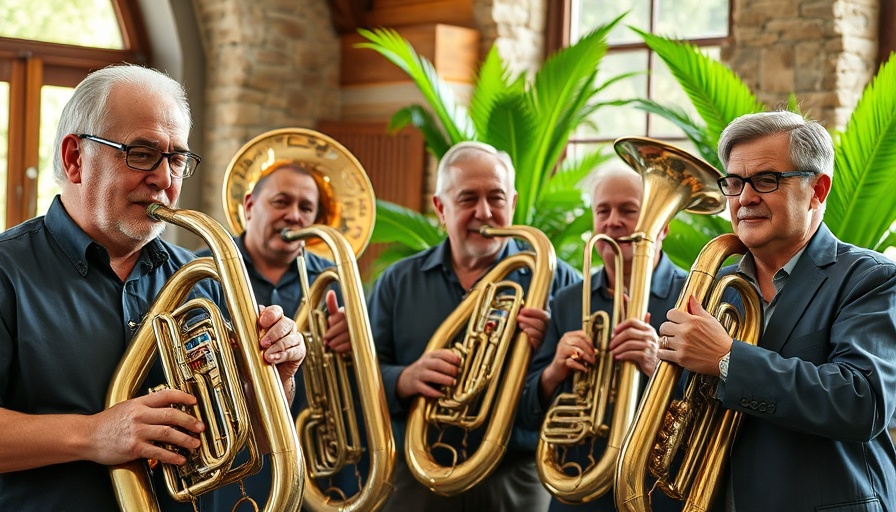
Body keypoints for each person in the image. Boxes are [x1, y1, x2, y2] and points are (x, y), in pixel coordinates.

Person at [0, 64, 306, 512]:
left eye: (177, 159)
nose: (165, 179)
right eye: (142, 153)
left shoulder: (205, 276)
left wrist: (274, 379)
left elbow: (252, 440)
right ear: (75, 159)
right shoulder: (8, 269)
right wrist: (93, 435)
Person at [657, 110, 896, 511]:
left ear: (818, 190)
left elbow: (862, 402)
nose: (745, 198)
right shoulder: (718, 285)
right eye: (734, 183)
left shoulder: (872, 278)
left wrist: (727, 358)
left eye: (766, 180)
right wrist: (665, 367)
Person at [367, 141, 581, 512]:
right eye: (468, 198)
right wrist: (403, 379)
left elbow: (586, 397)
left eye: (496, 198)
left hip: (517, 478)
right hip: (416, 480)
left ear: (512, 203)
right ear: (440, 208)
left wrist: (552, 356)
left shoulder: (563, 283)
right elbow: (362, 373)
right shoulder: (397, 281)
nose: (484, 212)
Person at [519, 166, 686, 512]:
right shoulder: (566, 300)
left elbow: (714, 407)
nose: (612, 222)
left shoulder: (693, 295)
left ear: (663, 227)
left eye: (628, 210)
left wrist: (657, 366)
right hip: (577, 490)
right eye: (603, 211)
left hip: (657, 495)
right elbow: (526, 411)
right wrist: (555, 370)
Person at [199, 160, 350, 509]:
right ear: (250, 206)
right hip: (232, 467)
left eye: (306, 208)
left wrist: (353, 347)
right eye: (281, 202)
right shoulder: (202, 271)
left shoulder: (335, 280)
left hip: (317, 466)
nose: (294, 216)